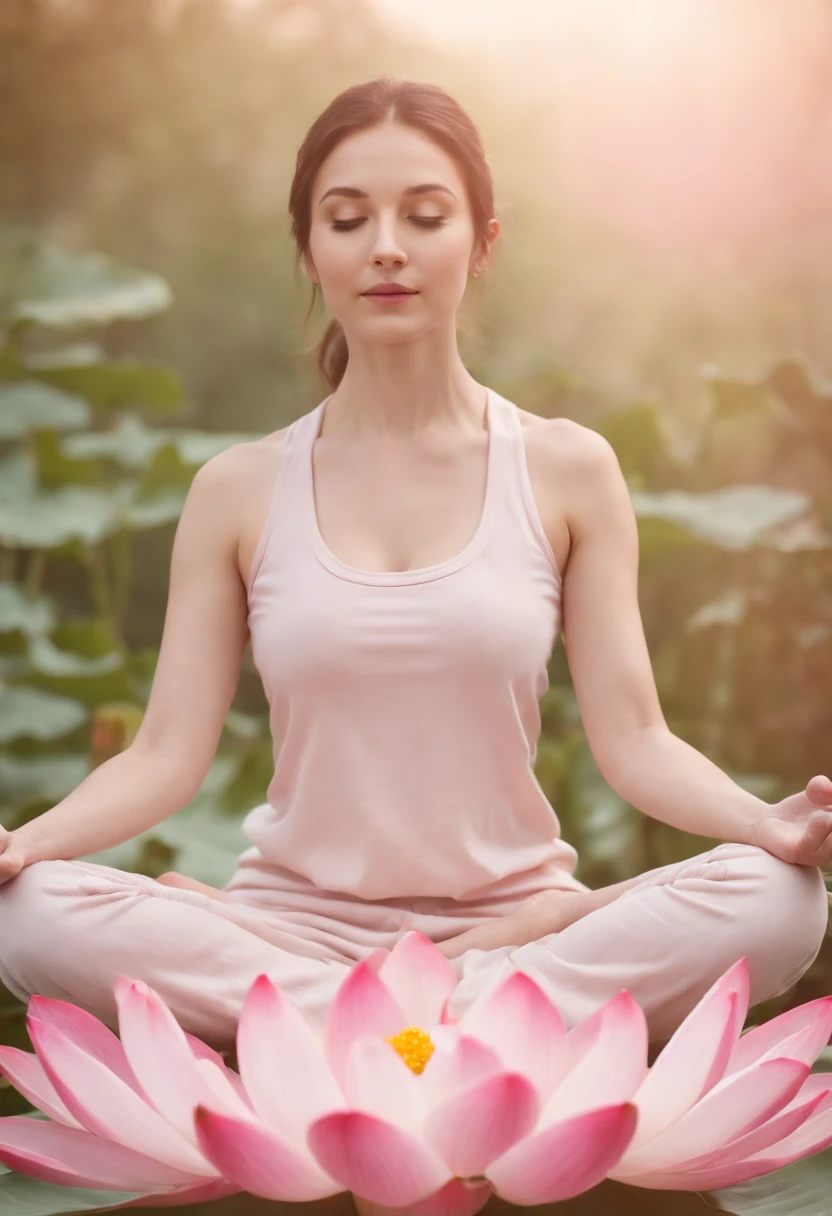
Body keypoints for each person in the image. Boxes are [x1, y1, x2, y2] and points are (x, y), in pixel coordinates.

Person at [0, 77, 829, 1052]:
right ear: (309, 249)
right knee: (30, 912)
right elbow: (163, 755)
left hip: (517, 921)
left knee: (777, 899)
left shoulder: (567, 468)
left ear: (481, 243)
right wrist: (23, 847)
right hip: (292, 929)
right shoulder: (236, 487)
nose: (385, 246)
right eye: (348, 219)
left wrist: (761, 825)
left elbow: (636, 737)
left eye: (424, 216)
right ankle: (460, 1029)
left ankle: (339, 1034)